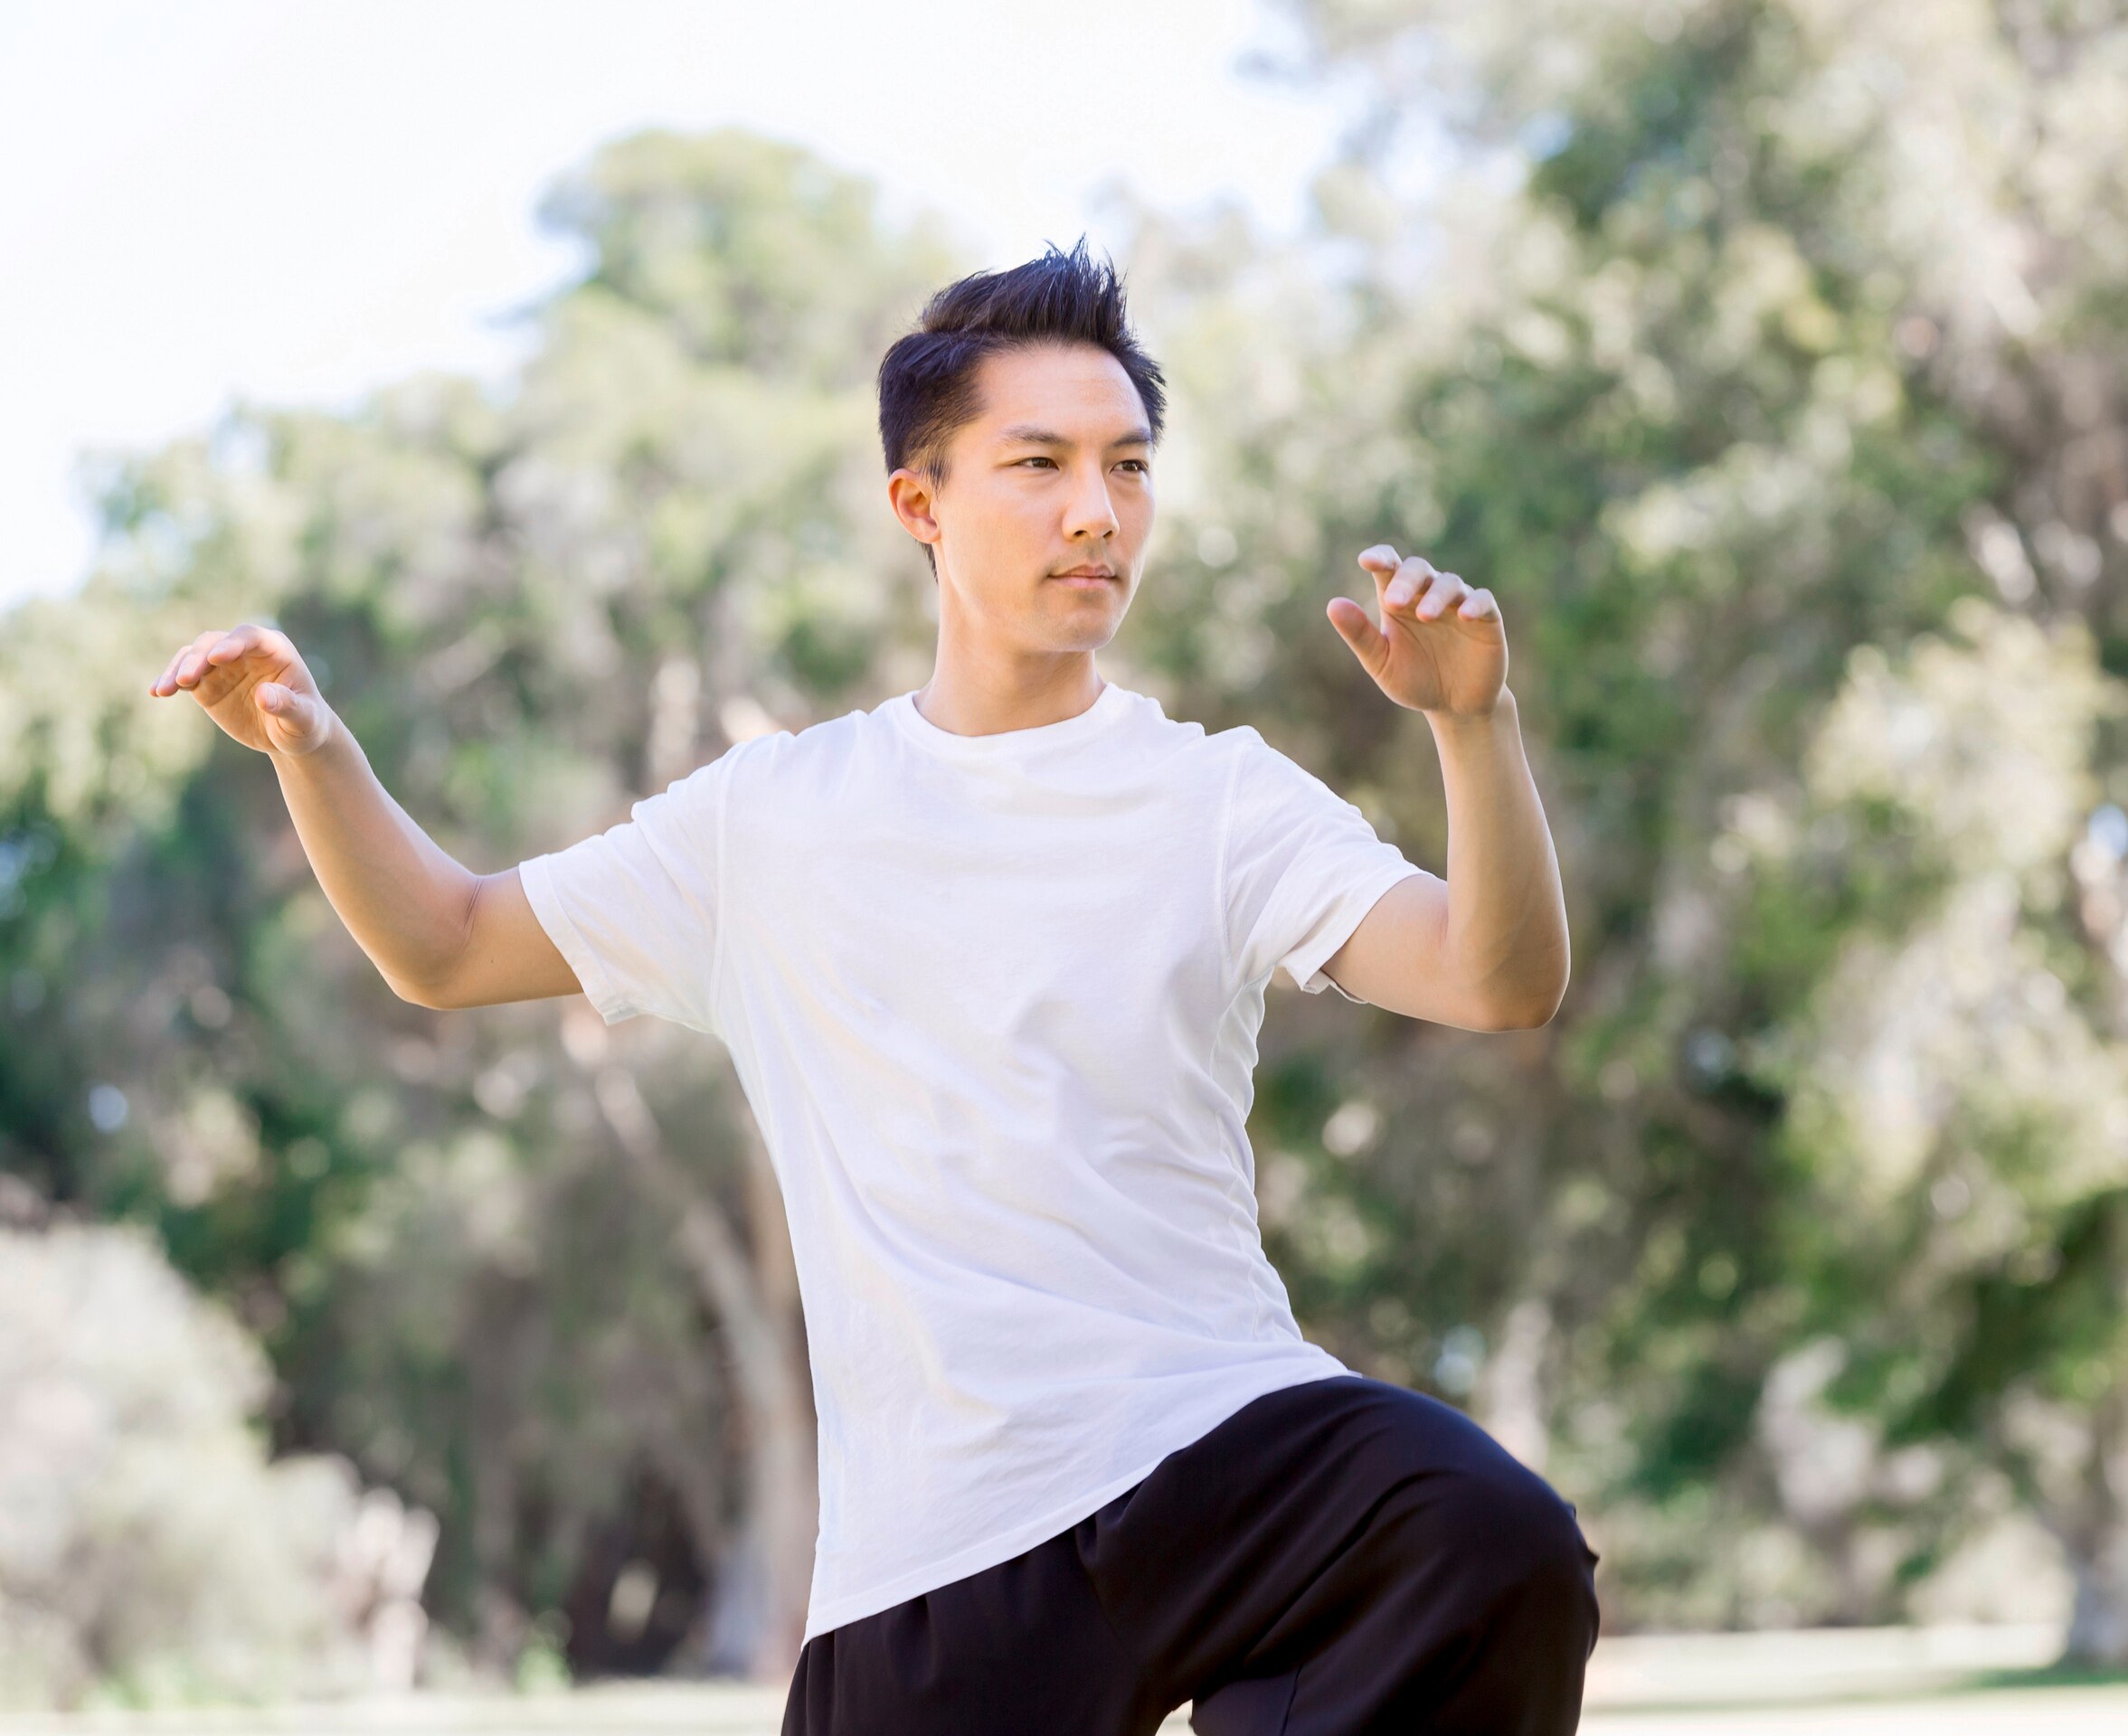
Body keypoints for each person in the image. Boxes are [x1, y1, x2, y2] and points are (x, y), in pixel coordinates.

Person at [148, 241, 1595, 1733]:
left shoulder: (1219, 798)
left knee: (1486, 1540)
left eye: (1129, 466)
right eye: (1038, 463)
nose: (1097, 510)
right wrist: (314, 750)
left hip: (1216, 1454)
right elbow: (442, 945)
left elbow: (1496, 979)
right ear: (921, 502)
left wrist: (1472, 729)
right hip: (943, 1546)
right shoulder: (775, 817)